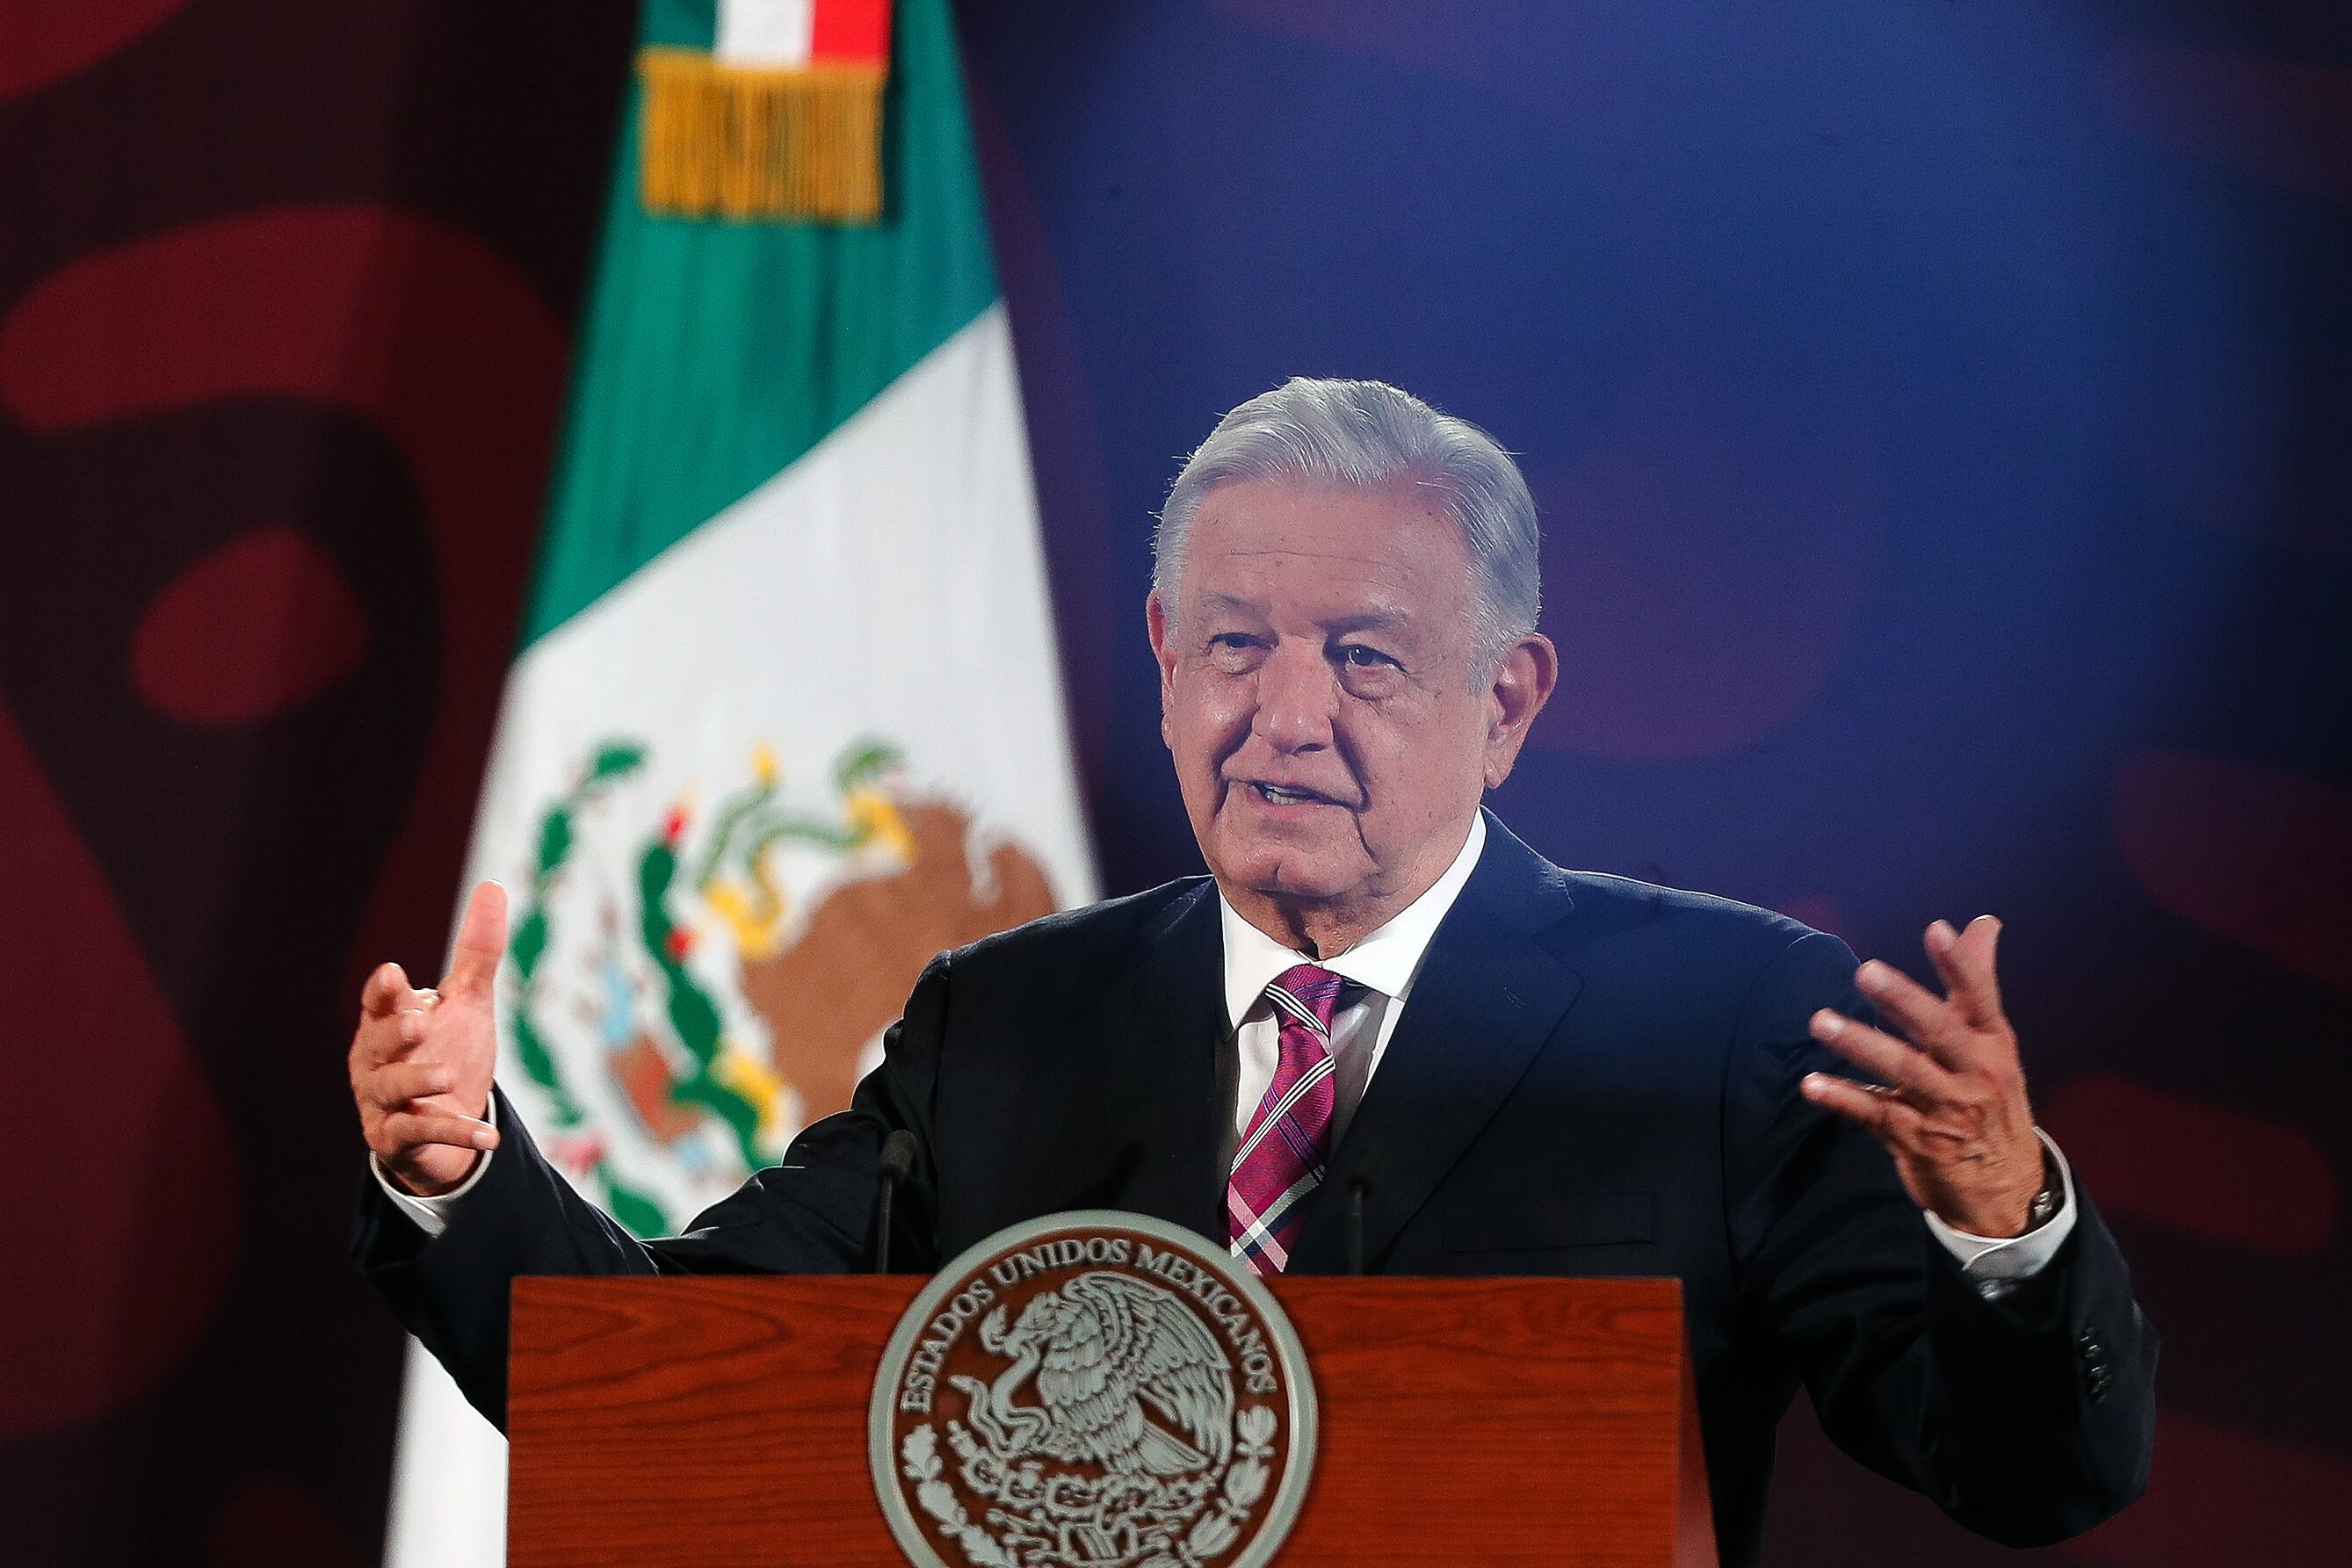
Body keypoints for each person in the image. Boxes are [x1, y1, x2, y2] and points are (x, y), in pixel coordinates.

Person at [350, 378, 2154, 1567]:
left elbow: (2028, 1475)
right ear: (1159, 655)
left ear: (1506, 699)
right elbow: (673, 1376)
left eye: (1365, 659)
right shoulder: (1007, 1018)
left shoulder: (1728, 1022)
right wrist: (462, 1170)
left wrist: (2005, 1221)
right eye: (1234, 645)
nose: (1283, 718)